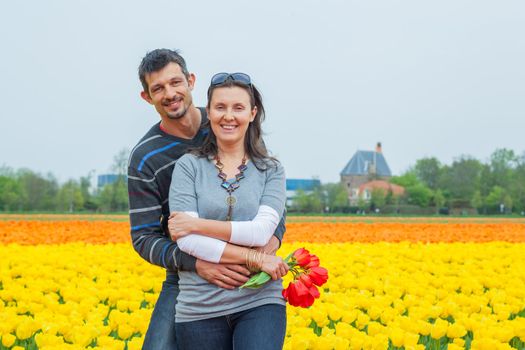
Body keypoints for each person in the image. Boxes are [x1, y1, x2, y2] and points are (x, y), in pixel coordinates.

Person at [128, 49, 286, 349]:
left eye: (175, 82)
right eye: (158, 88)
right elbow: (143, 237)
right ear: (147, 97)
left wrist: (269, 245)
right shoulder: (145, 157)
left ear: (190, 81)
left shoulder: (227, 121)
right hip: (188, 271)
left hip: (252, 274)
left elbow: (270, 199)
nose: (170, 93)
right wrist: (197, 263)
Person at [167, 72, 288, 350]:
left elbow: (261, 231)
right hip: (199, 304)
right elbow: (187, 242)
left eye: (238, 107)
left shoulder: (271, 170)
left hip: (259, 299)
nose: (228, 116)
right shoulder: (189, 166)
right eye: (220, 107)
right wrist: (255, 258)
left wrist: (196, 224)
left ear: (253, 113)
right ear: (208, 112)